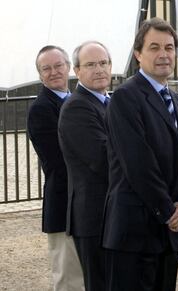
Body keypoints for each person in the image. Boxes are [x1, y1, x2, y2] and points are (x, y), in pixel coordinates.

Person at [101, 18, 178, 291]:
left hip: (168, 234)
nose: (163, 54)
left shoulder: (176, 100)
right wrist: (169, 211)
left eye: (169, 47)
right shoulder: (125, 98)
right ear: (138, 54)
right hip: (134, 233)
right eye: (154, 47)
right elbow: (138, 164)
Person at [27, 45, 85, 291]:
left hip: (87, 204)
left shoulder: (79, 101)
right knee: (70, 279)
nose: (53, 72)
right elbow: (58, 162)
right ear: (40, 75)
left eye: (58, 66)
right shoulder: (40, 109)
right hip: (64, 205)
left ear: (69, 67)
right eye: (46, 69)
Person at [58, 41, 112, 291]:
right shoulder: (77, 107)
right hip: (94, 217)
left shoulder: (110, 102)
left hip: (114, 215)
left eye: (103, 63)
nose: (99, 69)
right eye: (91, 65)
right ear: (77, 71)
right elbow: (103, 159)